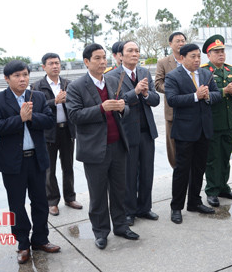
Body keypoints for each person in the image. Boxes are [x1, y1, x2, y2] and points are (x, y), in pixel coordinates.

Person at [66, 43, 139, 250]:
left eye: (104, 58)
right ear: (87, 62)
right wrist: (101, 108)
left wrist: (122, 108)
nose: (102, 62)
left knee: (119, 190)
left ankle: (121, 226)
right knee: (97, 194)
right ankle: (100, 232)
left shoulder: (114, 80)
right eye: (97, 58)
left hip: (117, 145)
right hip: (94, 149)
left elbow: (125, 109)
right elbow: (74, 116)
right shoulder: (76, 86)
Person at [0, 60, 60, 264]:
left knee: (40, 202)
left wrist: (30, 118)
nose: (23, 79)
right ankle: (22, 243)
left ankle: (40, 239)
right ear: (7, 78)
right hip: (12, 163)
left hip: (36, 159)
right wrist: (19, 118)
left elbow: (48, 120)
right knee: (16, 205)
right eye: (17, 76)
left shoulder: (36, 96)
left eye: (25, 75)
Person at [165, 43, 222, 224]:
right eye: (193, 56)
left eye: (199, 56)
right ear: (182, 58)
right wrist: (196, 96)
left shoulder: (206, 73)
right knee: (182, 170)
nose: (197, 60)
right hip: (185, 131)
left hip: (204, 130)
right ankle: (176, 207)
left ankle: (194, 202)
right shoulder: (173, 76)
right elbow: (172, 100)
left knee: (199, 168)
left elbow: (217, 94)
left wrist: (208, 96)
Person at [107, 41, 160, 226]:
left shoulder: (144, 72)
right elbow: (116, 102)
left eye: (137, 50)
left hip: (146, 131)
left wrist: (145, 94)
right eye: (130, 51)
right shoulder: (112, 76)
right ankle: (128, 211)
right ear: (120, 55)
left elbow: (156, 99)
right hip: (127, 132)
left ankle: (144, 208)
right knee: (128, 175)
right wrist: (135, 92)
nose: (135, 54)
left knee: (147, 172)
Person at [32, 53, 82, 216]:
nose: (55, 66)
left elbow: (77, 104)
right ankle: (52, 201)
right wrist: (54, 101)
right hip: (48, 133)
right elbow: (35, 108)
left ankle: (70, 197)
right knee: (49, 169)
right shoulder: (37, 86)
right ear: (44, 67)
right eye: (51, 63)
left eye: (57, 63)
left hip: (67, 130)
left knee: (68, 166)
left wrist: (68, 100)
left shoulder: (69, 84)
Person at [200, 35, 232, 207]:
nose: (221, 54)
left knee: (225, 156)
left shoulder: (230, 70)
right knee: (212, 158)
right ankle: (212, 191)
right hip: (213, 121)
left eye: (222, 51)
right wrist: (225, 90)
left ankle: (224, 186)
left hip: (228, 121)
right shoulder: (204, 71)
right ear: (208, 55)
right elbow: (206, 95)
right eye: (216, 52)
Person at [154, 32, 186, 168]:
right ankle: (177, 170)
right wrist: (172, 90)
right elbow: (157, 83)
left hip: (190, 109)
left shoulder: (190, 59)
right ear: (170, 44)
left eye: (183, 41)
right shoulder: (163, 62)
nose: (181, 44)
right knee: (173, 146)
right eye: (177, 41)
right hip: (172, 111)